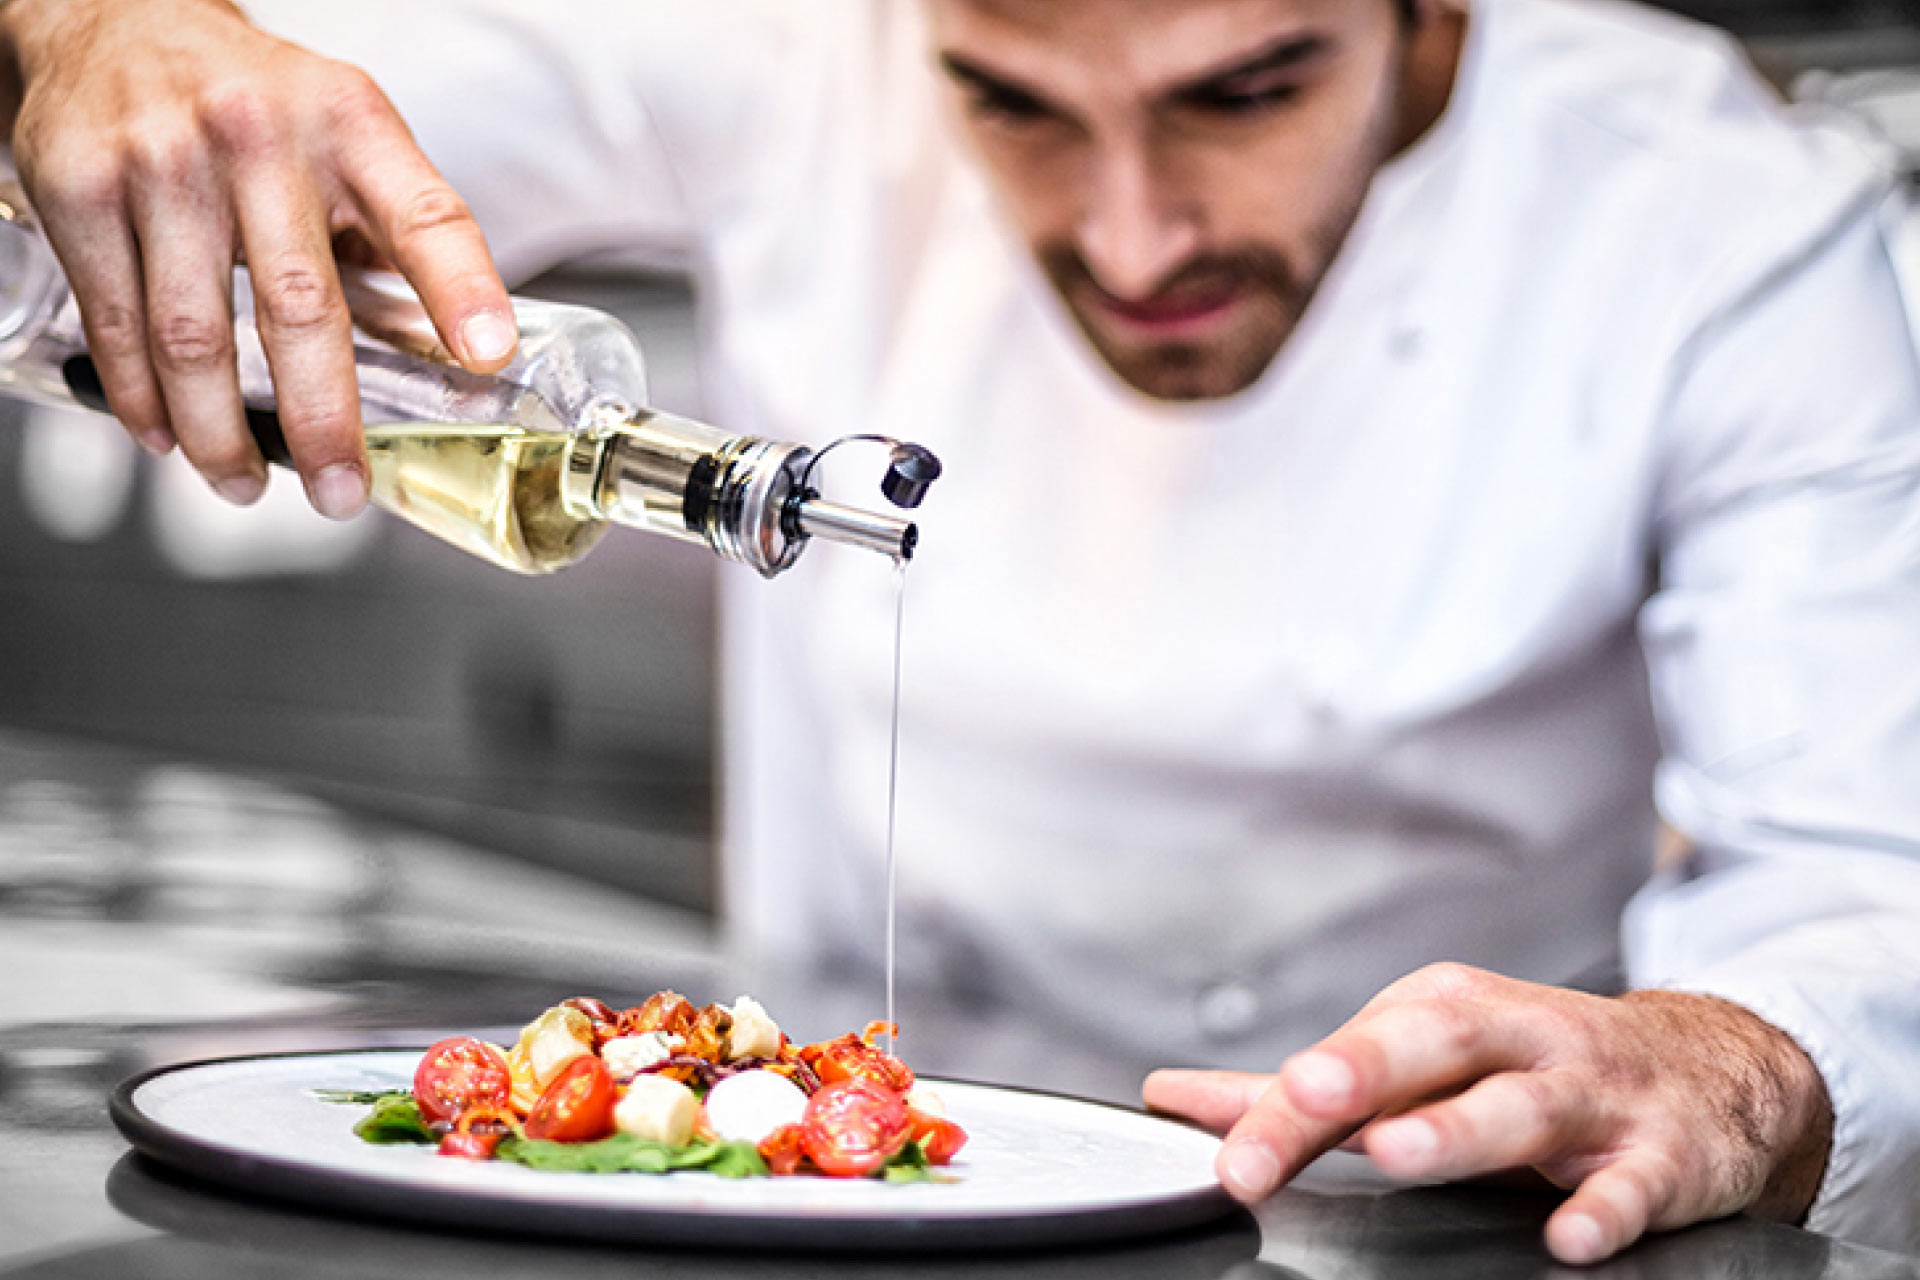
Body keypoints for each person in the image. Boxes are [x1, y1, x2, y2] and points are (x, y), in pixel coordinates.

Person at [5, 0, 1919, 1263]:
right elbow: (186, 130)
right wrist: (87, 34)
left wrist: (1727, 1058)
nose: (1136, 238)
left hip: (1431, 1230)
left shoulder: (1726, 217)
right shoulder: (801, 37)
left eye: (1247, 90)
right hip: (808, 1192)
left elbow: (1859, 877)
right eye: (1013, 102)